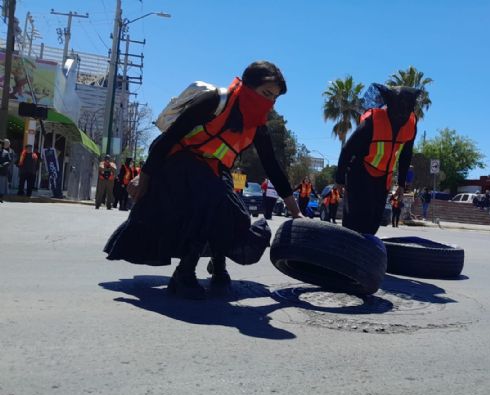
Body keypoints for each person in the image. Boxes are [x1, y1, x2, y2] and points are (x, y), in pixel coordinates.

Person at [105, 61, 302, 300]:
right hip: (180, 163)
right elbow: (169, 138)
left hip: (215, 170)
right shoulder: (214, 102)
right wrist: (144, 177)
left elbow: (272, 167)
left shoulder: (256, 125)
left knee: (236, 216)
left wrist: (296, 213)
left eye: (275, 99)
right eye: (266, 94)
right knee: (210, 200)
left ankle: (218, 264)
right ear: (247, 86)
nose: (269, 103)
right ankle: (184, 273)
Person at [335, 83, 421, 235]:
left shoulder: (411, 125)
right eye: (398, 110)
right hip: (360, 172)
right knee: (356, 219)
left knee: (374, 220)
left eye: (406, 110)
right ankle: (347, 250)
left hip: (383, 178)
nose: (401, 116)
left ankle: (365, 254)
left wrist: (401, 184)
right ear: (390, 106)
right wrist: (340, 179)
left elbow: (406, 155)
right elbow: (348, 149)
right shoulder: (372, 122)